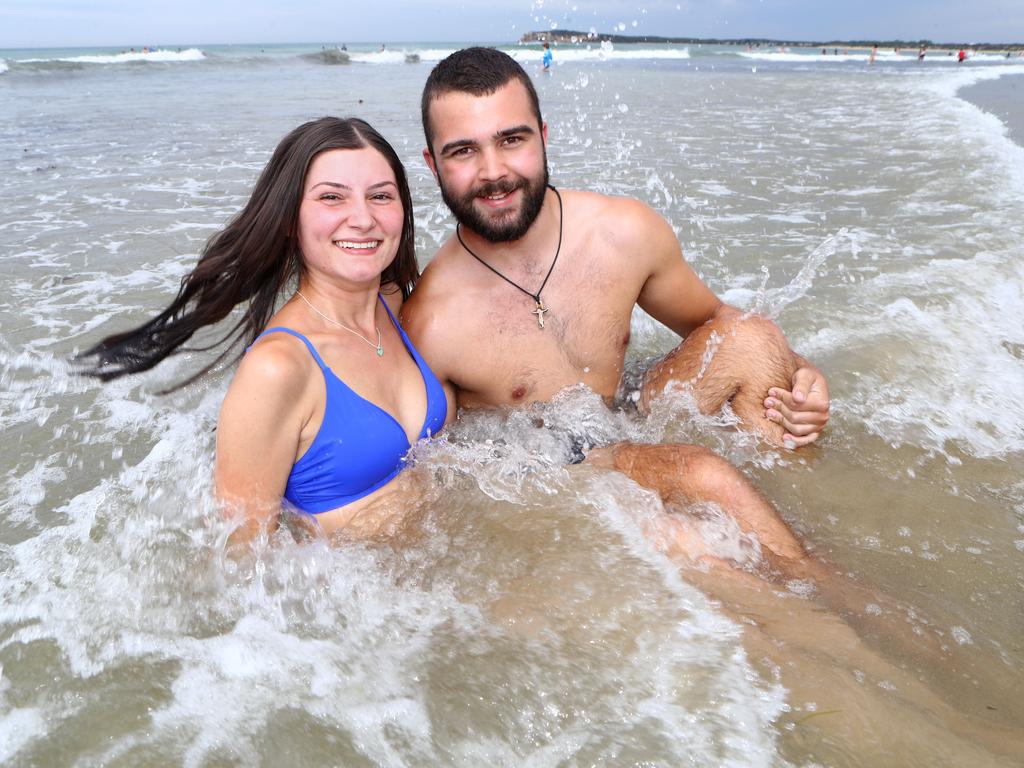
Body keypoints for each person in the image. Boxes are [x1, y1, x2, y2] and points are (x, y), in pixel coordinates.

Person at [403, 48, 830, 572]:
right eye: (463, 151)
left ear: (543, 134)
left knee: (755, 338)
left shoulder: (622, 233)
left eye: (511, 140)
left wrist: (804, 373)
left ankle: (808, 525)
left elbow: (715, 322)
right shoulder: (431, 322)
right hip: (549, 472)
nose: (494, 172)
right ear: (432, 163)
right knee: (701, 477)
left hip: (625, 416)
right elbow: (435, 475)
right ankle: (824, 594)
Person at [80, 117, 451, 544]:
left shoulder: (394, 303)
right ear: (290, 219)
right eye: (332, 197)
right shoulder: (278, 369)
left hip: (442, 584)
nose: (363, 218)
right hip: (360, 603)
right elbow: (239, 565)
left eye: (380, 196)